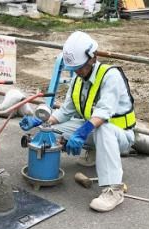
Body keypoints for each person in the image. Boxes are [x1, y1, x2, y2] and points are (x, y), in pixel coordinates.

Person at [19, 31, 136, 212]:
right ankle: (93, 152)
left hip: (121, 136)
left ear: (93, 57)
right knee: (49, 130)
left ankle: (114, 190)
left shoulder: (110, 76)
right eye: (74, 69)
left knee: (102, 129)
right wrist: (40, 120)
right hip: (95, 131)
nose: (78, 72)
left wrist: (80, 134)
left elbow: (103, 113)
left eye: (80, 68)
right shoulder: (78, 79)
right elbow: (65, 112)